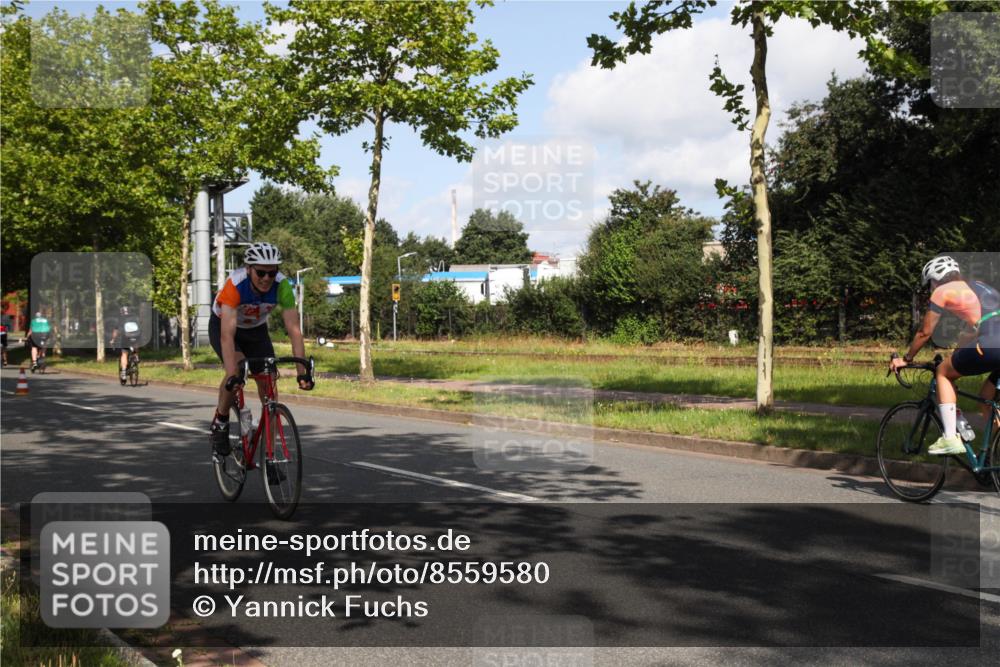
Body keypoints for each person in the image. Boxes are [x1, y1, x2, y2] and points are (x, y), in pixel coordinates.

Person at [209, 242, 314, 459]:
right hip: (225, 326)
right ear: (249, 269)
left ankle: (270, 457)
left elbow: (294, 331)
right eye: (261, 272)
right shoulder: (235, 285)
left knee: (270, 392)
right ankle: (221, 420)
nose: (266, 278)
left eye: (271, 272)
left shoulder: (282, 285)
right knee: (236, 373)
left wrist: (301, 370)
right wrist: (231, 373)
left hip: (256, 330)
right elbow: (227, 336)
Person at [890, 256, 1000, 454]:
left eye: (930, 284)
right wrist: (956, 354)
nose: (931, 288)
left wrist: (906, 359)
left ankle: (949, 438)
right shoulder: (978, 287)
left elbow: (925, 332)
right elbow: (972, 330)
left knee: (943, 372)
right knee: (985, 399)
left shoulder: (942, 291)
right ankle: (992, 458)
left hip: (992, 343)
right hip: (992, 338)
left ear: (935, 279)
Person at [110, 306, 141, 384]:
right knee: (136, 343)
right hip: (136, 336)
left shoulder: (120, 320)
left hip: (126, 338)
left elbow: (116, 332)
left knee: (124, 354)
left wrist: (113, 340)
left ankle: (123, 373)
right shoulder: (135, 318)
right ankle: (136, 356)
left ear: (121, 312)